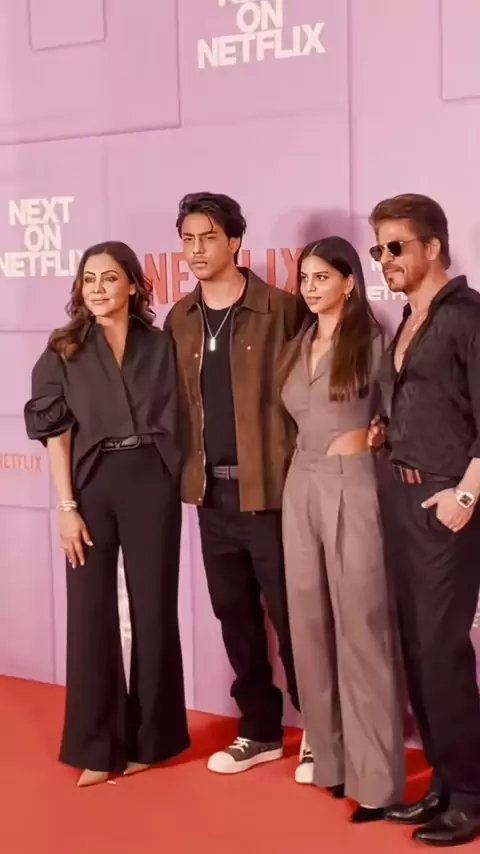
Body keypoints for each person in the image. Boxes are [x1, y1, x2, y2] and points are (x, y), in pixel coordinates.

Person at [24, 241, 189, 787]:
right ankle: (97, 746)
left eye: (109, 278)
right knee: (89, 610)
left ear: (133, 286)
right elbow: (56, 435)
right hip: (91, 484)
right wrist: (66, 506)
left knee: (155, 608)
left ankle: (154, 741)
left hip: (152, 482)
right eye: (89, 279)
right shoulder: (64, 348)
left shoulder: (161, 344)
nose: (97, 288)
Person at [164, 192, 303, 774]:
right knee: (234, 615)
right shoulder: (179, 318)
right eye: (188, 240)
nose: (196, 250)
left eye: (208, 238)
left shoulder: (282, 309)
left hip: (272, 492)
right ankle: (260, 730)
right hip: (211, 494)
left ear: (235, 241)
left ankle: (322, 730)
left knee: (295, 616)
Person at [279, 236, 404, 821]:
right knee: (309, 628)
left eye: (322, 277)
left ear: (350, 282)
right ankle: (330, 764)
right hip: (298, 484)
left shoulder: (373, 341)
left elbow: (402, 410)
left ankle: (376, 782)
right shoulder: (298, 342)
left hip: (353, 483)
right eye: (304, 277)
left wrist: (381, 432)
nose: (310, 287)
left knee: (361, 630)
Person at [367, 194, 480, 846]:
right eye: (378, 248)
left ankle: (471, 792)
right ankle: (442, 782)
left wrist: (466, 494)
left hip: (447, 505)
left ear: (433, 247)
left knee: (441, 651)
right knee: (416, 648)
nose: (385, 259)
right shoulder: (409, 318)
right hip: (400, 498)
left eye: (396, 246)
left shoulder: (468, 316)